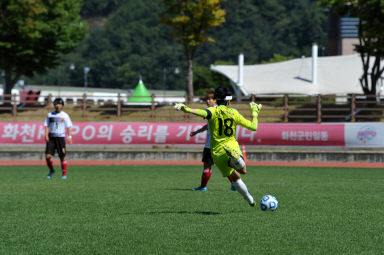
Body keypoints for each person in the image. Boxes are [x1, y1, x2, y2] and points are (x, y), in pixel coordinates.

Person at [175, 87, 262, 206]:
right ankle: (234, 161)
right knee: (243, 171)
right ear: (229, 102)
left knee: (235, 177)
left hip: (217, 152)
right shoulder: (234, 112)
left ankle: (250, 200)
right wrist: (255, 113)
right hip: (232, 146)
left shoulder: (212, 111)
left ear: (216, 99)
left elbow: (202, 112)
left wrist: (187, 109)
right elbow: (253, 127)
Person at [189, 91, 235, 191]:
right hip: (222, 144)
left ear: (216, 100)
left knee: (207, 166)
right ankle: (234, 184)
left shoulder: (211, 110)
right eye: (207, 99)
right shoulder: (222, 111)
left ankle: (203, 186)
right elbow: (209, 125)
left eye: (210, 99)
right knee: (225, 165)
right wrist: (197, 131)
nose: (208, 101)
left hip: (211, 145)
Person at [44, 98, 73, 179]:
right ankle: (52, 170)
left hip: (60, 138)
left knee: (62, 156)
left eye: (59, 104)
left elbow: (69, 126)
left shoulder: (65, 115)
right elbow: (46, 125)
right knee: (48, 156)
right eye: (56, 104)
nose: (57, 105)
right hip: (51, 138)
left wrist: (69, 136)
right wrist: (46, 135)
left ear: (62, 105)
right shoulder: (50, 115)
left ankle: (64, 174)